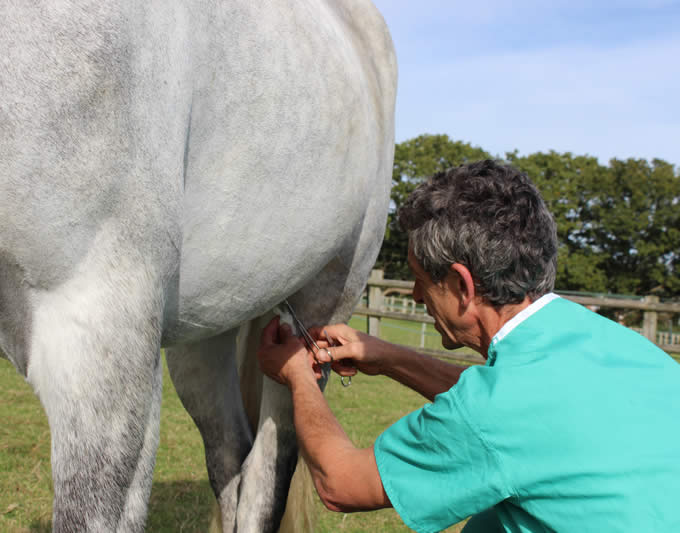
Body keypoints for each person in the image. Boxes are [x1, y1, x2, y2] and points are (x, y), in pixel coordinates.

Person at [257, 159, 680, 532]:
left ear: (461, 285)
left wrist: (298, 375)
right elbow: (525, 407)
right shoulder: (621, 346)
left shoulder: (498, 409)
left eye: (421, 282)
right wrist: (387, 357)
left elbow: (341, 483)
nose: (418, 298)